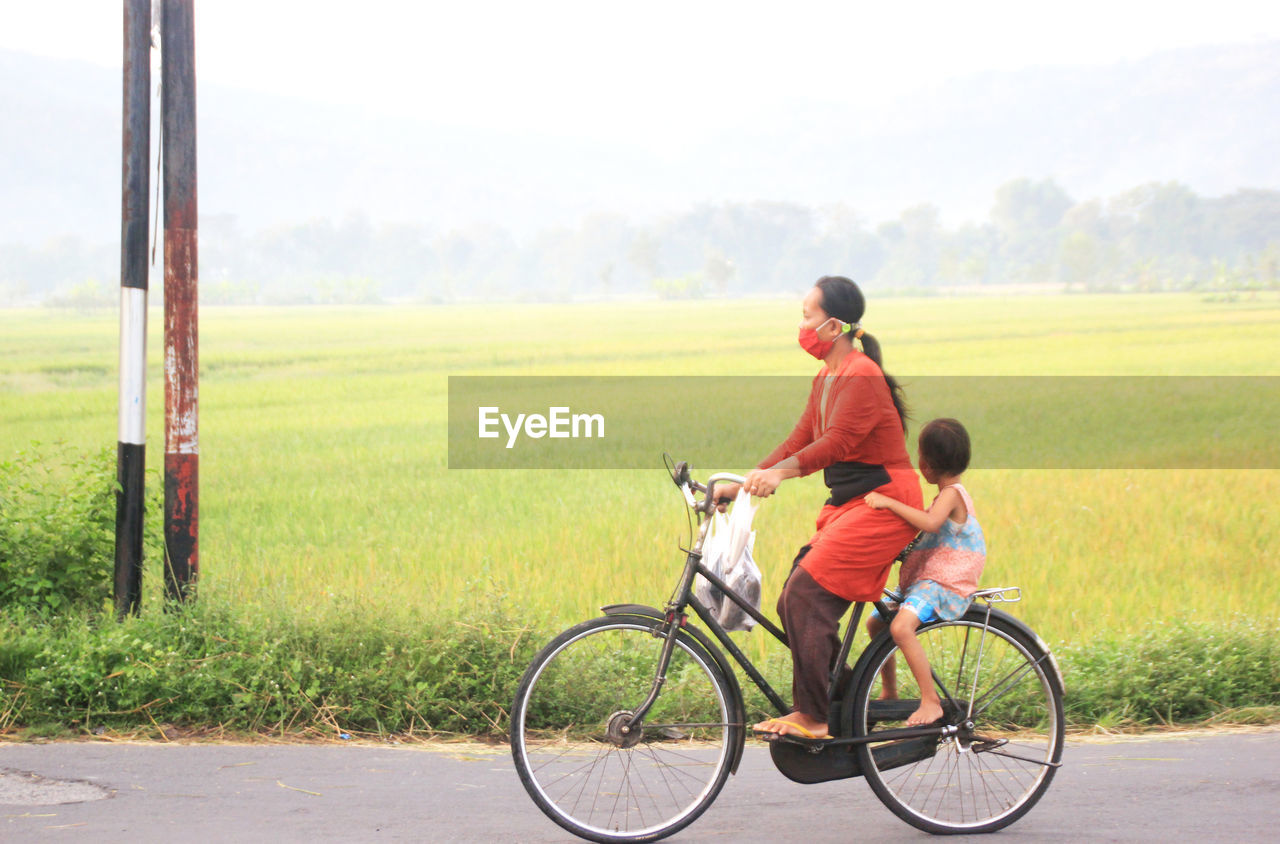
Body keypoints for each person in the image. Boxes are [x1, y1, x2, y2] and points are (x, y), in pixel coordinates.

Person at [718, 276, 922, 740]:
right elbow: (801, 439)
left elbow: (837, 443)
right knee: (794, 596)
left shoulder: (862, 374)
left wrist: (781, 475)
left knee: (808, 594)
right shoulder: (828, 375)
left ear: (833, 326)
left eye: (807, 316)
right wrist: (743, 484)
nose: (801, 325)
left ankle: (815, 716)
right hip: (853, 504)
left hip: (886, 504)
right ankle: (849, 700)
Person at [864, 417, 986, 726]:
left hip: (943, 584)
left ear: (927, 465)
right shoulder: (947, 494)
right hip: (929, 580)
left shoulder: (953, 494)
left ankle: (930, 701)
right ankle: (889, 691)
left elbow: (930, 523)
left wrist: (888, 503)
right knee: (877, 623)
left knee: (901, 628)